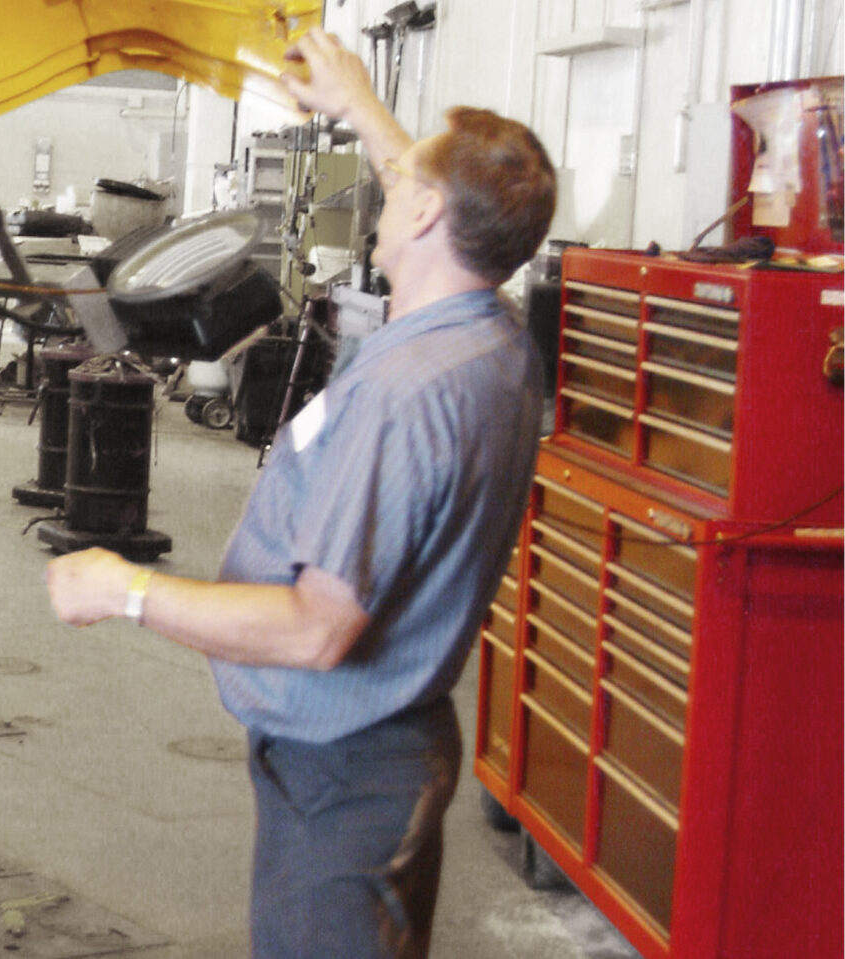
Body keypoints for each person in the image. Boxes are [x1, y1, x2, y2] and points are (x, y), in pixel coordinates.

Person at [43, 27, 557, 959]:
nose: (384, 186)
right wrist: (359, 102)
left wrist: (124, 590)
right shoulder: (492, 331)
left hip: (349, 772)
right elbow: (438, 188)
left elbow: (317, 628)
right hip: (374, 748)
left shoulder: (409, 397)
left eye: (402, 186)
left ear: (432, 215)